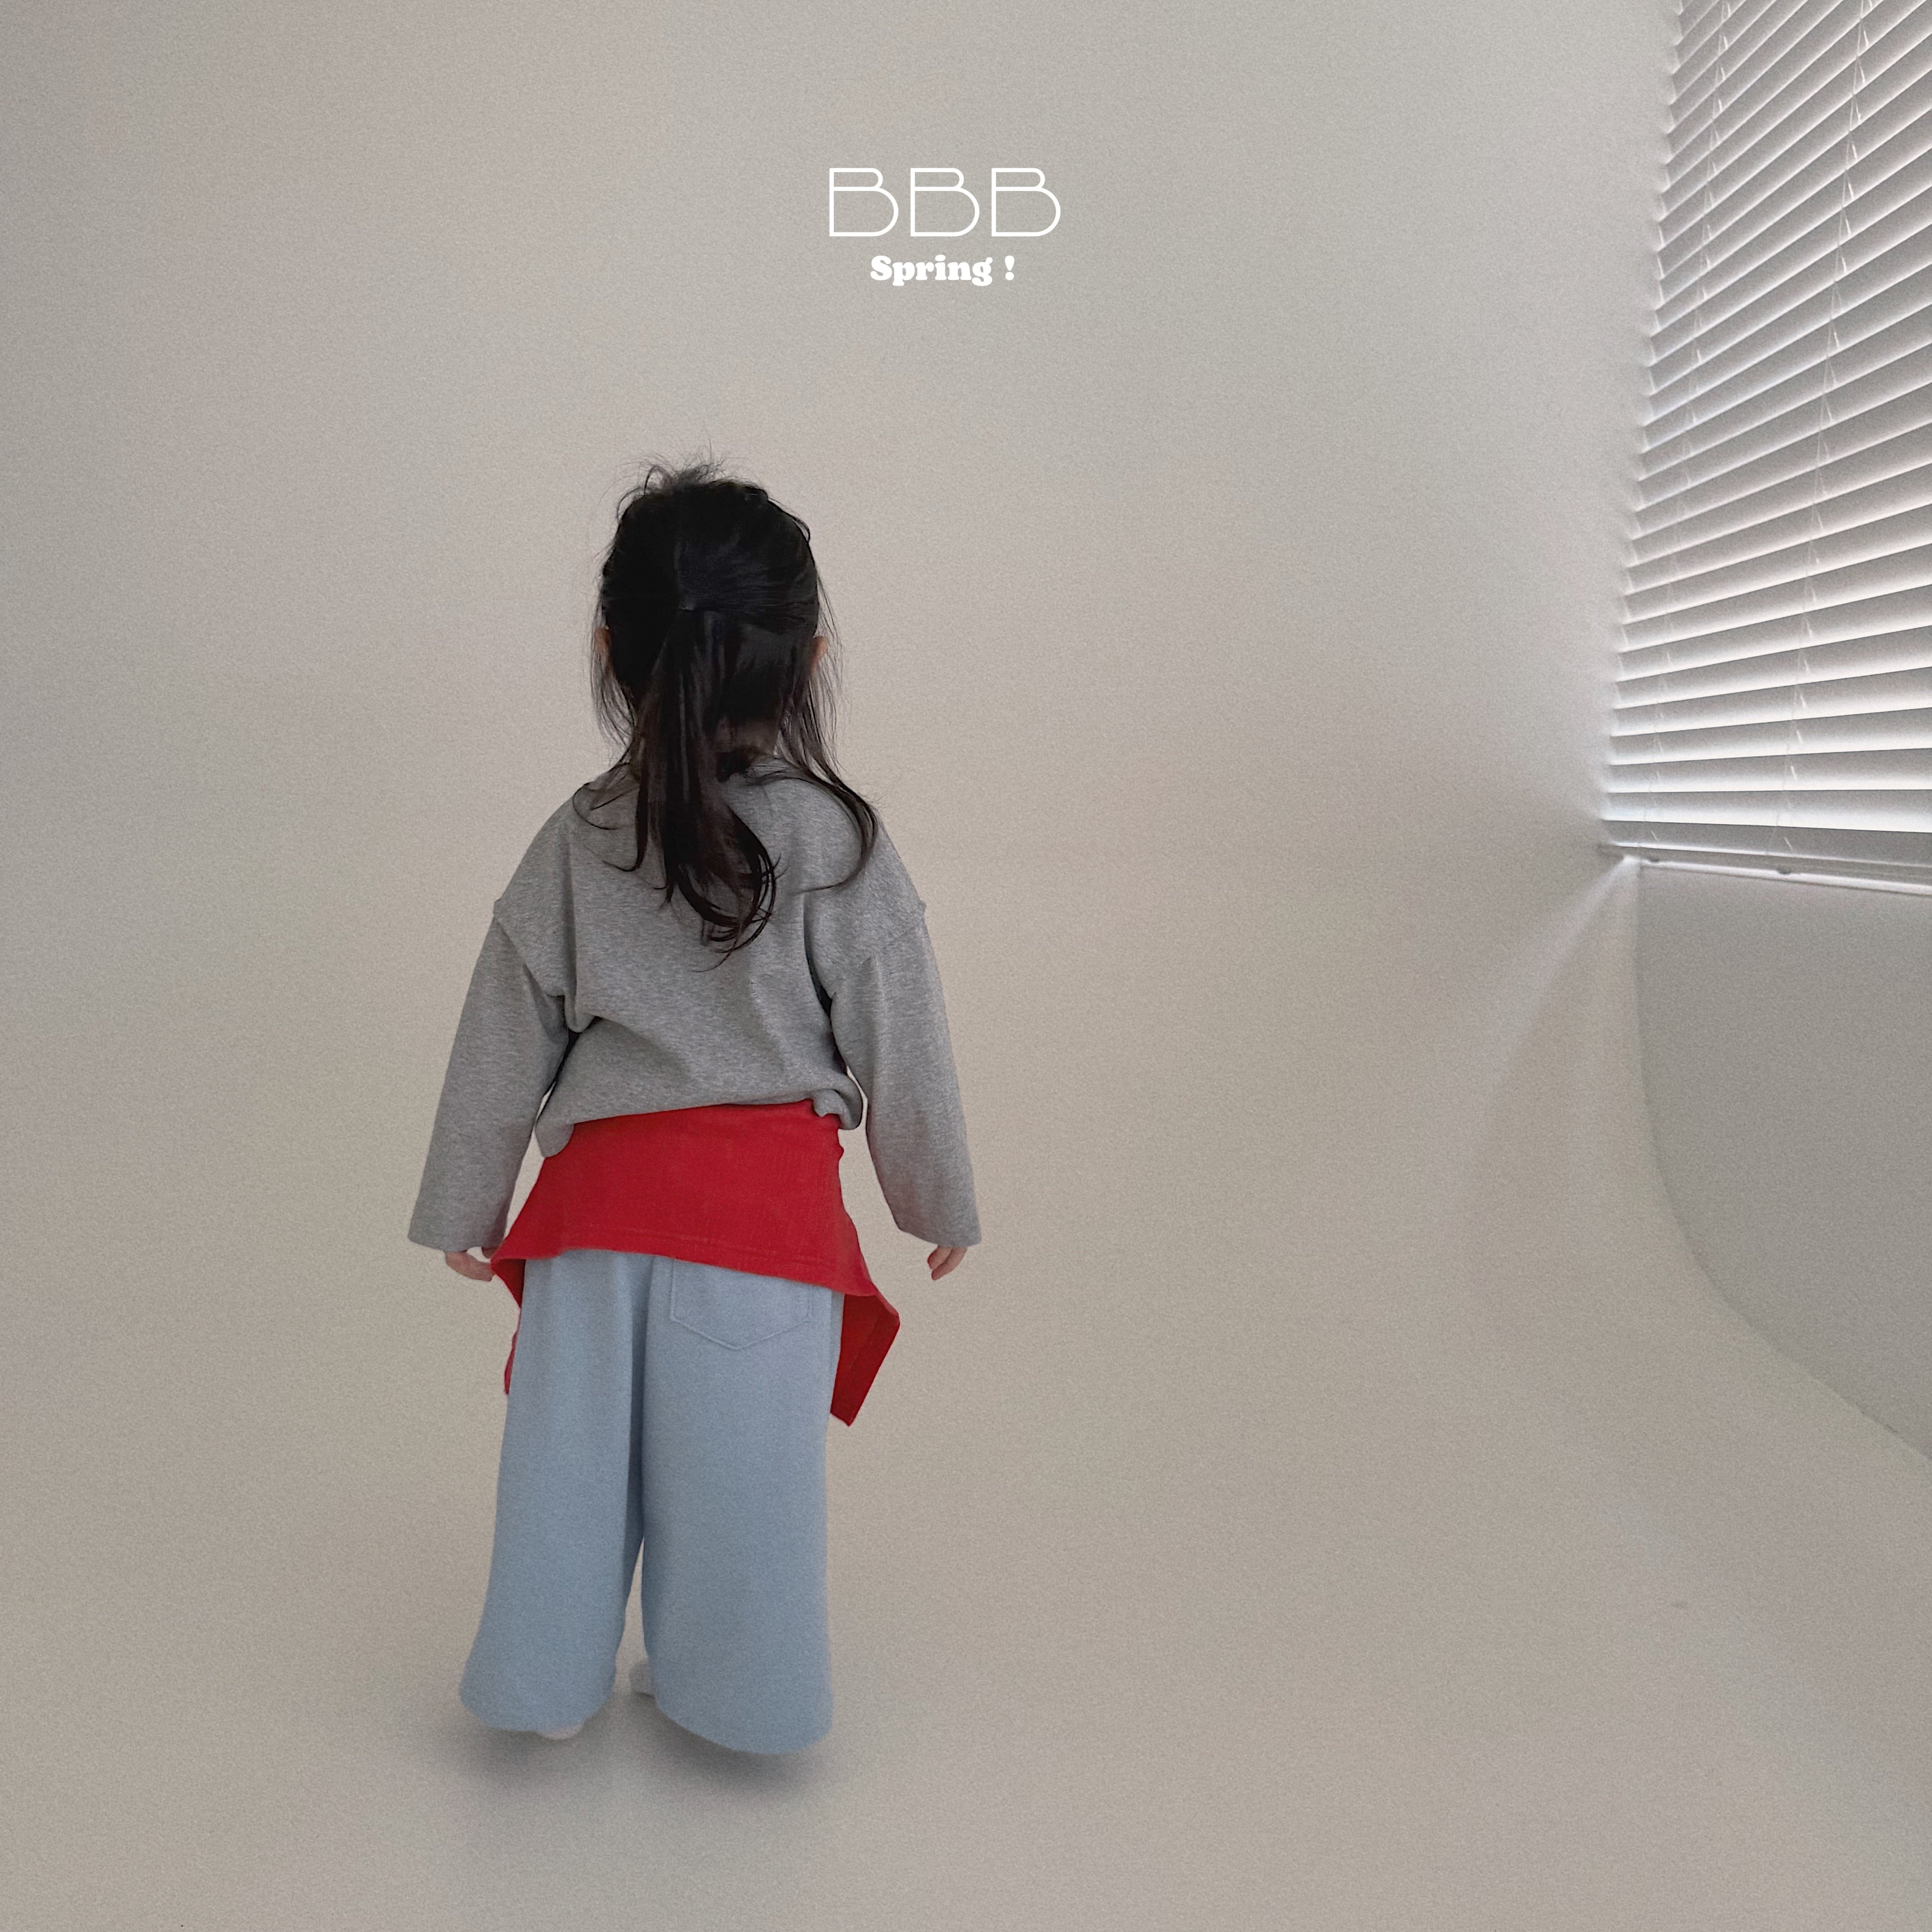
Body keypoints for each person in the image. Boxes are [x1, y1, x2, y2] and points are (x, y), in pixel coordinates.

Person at [406, 458, 981, 1755]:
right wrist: (935, 1199)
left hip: (590, 1228)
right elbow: (904, 1034)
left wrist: (465, 1203)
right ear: (809, 659)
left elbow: (504, 1026)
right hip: (760, 1241)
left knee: (562, 1486)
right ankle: (745, 1701)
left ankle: (535, 1686)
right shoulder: (841, 845)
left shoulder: (578, 836)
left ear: (610, 649)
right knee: (743, 1497)